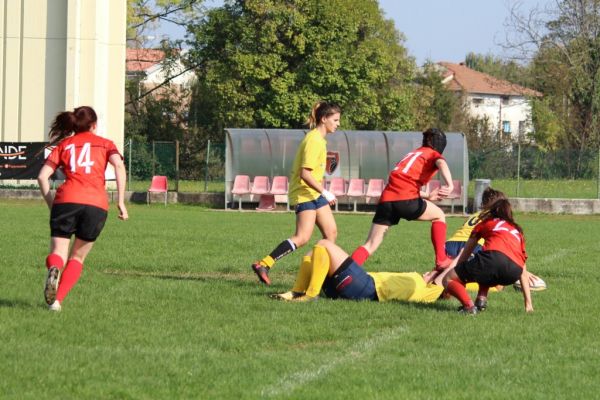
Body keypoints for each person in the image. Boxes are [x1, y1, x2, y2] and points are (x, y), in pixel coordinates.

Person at [37, 106, 128, 312]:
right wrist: (121, 201)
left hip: (66, 200)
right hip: (96, 204)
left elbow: (42, 177)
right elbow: (119, 166)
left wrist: (52, 203)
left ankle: (54, 269)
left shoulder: (65, 144)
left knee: (58, 253)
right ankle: (56, 301)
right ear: (94, 125)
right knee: (77, 257)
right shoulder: (106, 144)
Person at [251, 101, 341, 286]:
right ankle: (264, 264)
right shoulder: (314, 140)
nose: (338, 124)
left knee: (330, 234)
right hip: (304, 194)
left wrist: (322, 193)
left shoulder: (320, 140)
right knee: (302, 237)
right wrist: (326, 192)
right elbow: (305, 173)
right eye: (335, 120)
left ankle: (320, 277)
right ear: (324, 119)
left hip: (314, 195)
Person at [350, 128, 454, 270]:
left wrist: (428, 196)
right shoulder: (432, 154)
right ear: (440, 145)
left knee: (370, 244)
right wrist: (450, 184)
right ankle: (441, 259)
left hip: (387, 201)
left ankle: (344, 273)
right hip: (406, 200)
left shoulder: (413, 154)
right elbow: (441, 163)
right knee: (439, 216)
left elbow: (402, 184)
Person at [443, 186, 545, 295]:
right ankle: (458, 288)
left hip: (451, 244)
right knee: (497, 284)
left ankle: (441, 277)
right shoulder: (495, 217)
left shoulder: (476, 215)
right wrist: (522, 272)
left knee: (455, 269)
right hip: (476, 245)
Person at [271, 239, 445, 303]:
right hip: (356, 287)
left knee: (324, 244)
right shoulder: (421, 282)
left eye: (430, 274)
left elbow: (449, 273)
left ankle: (309, 295)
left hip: (367, 288)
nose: (425, 273)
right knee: (316, 252)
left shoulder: (432, 290)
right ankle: (296, 292)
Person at [441, 198, 533, 314]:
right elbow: (523, 271)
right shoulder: (517, 231)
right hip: (513, 272)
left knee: (449, 279)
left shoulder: (486, 223)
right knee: (486, 269)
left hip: (492, 260)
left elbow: (466, 253)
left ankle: (468, 307)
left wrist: (457, 274)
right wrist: (528, 304)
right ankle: (481, 300)